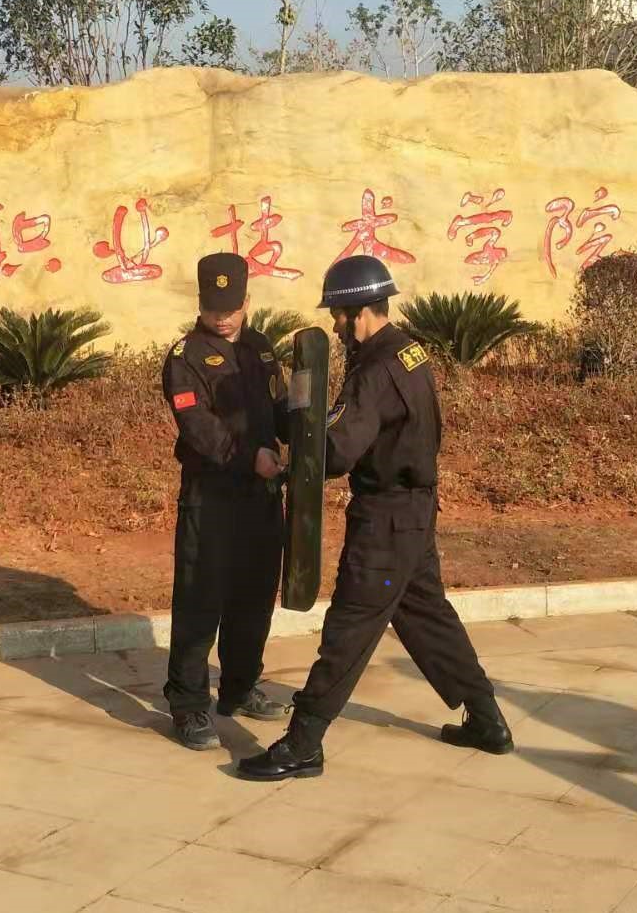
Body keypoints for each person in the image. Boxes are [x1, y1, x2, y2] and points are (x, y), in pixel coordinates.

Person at [238, 255, 513, 781]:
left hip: (386, 519)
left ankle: (303, 742)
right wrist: (302, 414)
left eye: (338, 316)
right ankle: (486, 719)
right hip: (413, 512)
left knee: (349, 627)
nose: (335, 328)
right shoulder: (408, 351)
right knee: (427, 616)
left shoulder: (373, 371)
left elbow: (339, 448)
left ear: (359, 312)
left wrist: (295, 458)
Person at [160, 251, 290, 749]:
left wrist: (310, 432)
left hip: (261, 496)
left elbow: (282, 408)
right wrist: (248, 457)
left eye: (232, 308)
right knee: (200, 600)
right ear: (200, 304)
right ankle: (188, 704)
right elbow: (197, 427)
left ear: (247, 301)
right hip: (210, 497)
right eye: (214, 308)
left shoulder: (261, 348)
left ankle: (239, 686)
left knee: (254, 597)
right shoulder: (185, 357)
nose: (223, 317)